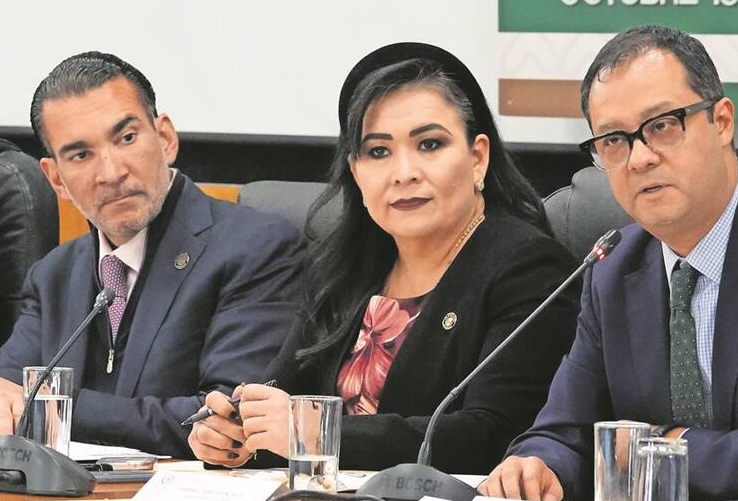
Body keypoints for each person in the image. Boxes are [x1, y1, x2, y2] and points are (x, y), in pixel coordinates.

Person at [188, 42, 579, 473]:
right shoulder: (346, 268)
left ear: (477, 157)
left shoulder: (530, 268)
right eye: (378, 151)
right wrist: (236, 431)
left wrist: (312, 431)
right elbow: (282, 391)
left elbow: (491, 436)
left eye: (430, 144)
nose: (404, 172)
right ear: (356, 172)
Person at [482, 25, 738, 501]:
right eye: (614, 139)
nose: (639, 157)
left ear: (722, 122)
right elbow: (565, 431)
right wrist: (537, 465)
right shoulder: (613, 266)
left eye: (662, 125)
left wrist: (663, 449)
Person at [0, 51, 304, 457]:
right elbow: (0, 391)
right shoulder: (54, 275)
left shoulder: (255, 247)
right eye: (81, 155)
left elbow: (227, 419)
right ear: (56, 179)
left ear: (166, 138)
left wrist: (50, 405)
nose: (112, 172)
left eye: (126, 138)